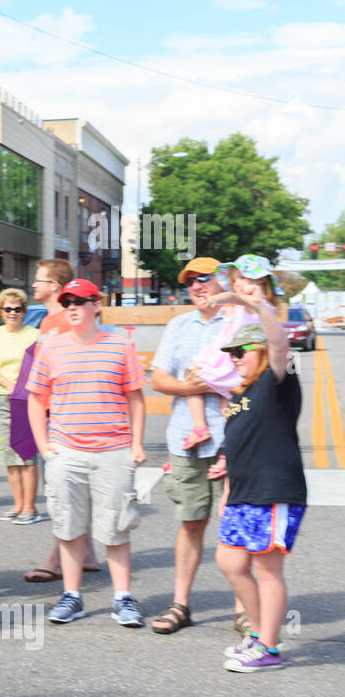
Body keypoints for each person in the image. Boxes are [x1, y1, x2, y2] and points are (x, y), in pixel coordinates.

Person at [27, 280, 148, 627]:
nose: (73, 307)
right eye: (67, 302)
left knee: (117, 527)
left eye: (81, 301)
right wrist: (43, 444)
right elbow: (36, 399)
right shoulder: (51, 348)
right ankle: (72, 596)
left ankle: (122, 598)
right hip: (66, 451)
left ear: (97, 305)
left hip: (114, 450)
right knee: (68, 527)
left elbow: (136, 398)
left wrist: (136, 444)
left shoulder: (120, 347)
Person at [212, 314, 304, 672]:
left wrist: (252, 302)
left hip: (273, 491)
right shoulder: (241, 394)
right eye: (230, 352)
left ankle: (269, 647)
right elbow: (236, 447)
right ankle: (258, 634)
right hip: (242, 494)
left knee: (267, 569)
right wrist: (227, 489)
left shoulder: (277, 382)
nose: (233, 357)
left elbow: (280, 344)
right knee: (230, 562)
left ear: (261, 352)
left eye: (240, 350)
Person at [148, 257, 229, 634]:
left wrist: (210, 384)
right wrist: (194, 387)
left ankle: (245, 611)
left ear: (222, 281)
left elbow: (254, 378)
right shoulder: (179, 325)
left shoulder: (240, 322)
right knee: (191, 523)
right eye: (191, 282)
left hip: (233, 440)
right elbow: (160, 380)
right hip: (187, 440)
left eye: (204, 279)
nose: (197, 286)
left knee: (235, 527)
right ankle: (181, 604)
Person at [24, 258, 99, 583]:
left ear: (55, 285)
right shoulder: (46, 322)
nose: (34, 286)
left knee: (62, 491)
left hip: (70, 416)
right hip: (54, 413)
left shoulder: (67, 319)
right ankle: (90, 554)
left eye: (39, 280)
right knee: (72, 488)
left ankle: (55, 560)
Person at [180, 254, 281, 482]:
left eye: (246, 279)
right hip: (231, 355)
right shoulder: (243, 308)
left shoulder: (258, 304)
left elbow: (234, 298)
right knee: (218, 398)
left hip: (237, 358)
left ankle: (222, 449)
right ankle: (203, 430)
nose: (240, 285)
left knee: (209, 388)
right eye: (236, 280)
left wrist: (219, 299)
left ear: (261, 283)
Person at [0, 288, 41, 523]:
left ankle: (30, 508)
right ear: (0, 311)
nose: (13, 313)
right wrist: (11, 387)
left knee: (26, 456)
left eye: (18, 309)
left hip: (27, 400)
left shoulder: (34, 334)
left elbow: (40, 368)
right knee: (9, 456)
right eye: (7, 309)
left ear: (24, 311)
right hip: (1, 398)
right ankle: (17, 506)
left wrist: (21, 391)